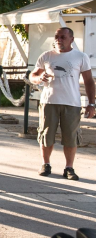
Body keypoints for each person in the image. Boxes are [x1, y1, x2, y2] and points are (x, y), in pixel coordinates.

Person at [31, 26, 95, 180]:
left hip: (72, 103)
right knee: (46, 135)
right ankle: (45, 164)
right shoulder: (47, 56)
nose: (59, 40)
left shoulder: (80, 56)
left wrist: (91, 104)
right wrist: (39, 79)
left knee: (71, 137)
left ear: (71, 39)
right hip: (49, 102)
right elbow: (33, 75)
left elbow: (88, 81)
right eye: (57, 37)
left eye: (63, 37)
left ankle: (69, 168)